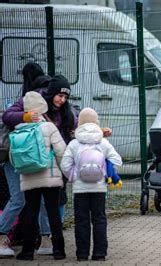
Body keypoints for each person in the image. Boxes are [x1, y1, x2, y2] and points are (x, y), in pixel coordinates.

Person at [0, 62, 50, 257]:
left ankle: (44, 238)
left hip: (29, 158)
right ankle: (6, 236)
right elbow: (9, 117)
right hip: (20, 157)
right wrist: (27, 116)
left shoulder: (35, 98)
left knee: (27, 199)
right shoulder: (27, 101)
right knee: (24, 198)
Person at [60, 108, 122, 261]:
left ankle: (82, 254)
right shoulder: (103, 142)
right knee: (99, 219)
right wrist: (105, 173)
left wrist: (74, 176)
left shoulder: (74, 143)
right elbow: (117, 161)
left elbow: (65, 164)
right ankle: (99, 254)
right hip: (99, 188)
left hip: (80, 189)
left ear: (79, 123)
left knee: (81, 221)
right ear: (96, 123)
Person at [14, 92, 66, 261]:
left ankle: (28, 251)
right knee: (53, 212)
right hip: (50, 176)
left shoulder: (19, 129)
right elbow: (61, 152)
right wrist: (65, 173)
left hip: (29, 176)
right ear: (43, 108)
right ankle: (58, 250)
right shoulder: (49, 127)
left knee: (31, 212)